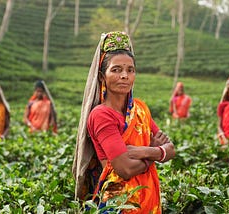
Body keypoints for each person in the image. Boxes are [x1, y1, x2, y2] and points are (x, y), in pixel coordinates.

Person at [72, 31, 176, 213]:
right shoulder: (101, 115)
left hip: (146, 197)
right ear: (102, 76)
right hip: (118, 203)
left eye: (130, 70)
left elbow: (171, 149)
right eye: (116, 69)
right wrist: (157, 154)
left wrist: (141, 151)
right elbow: (125, 169)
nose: (124, 76)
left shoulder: (140, 109)